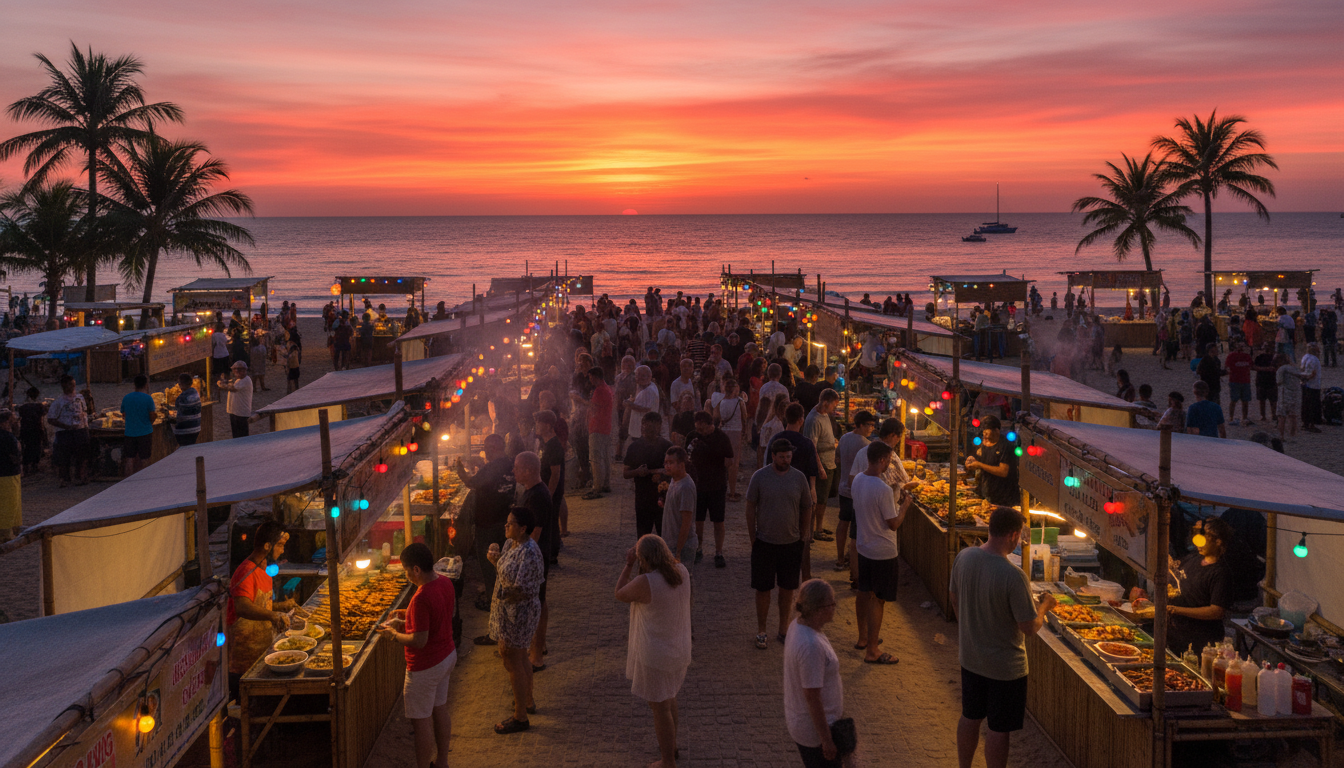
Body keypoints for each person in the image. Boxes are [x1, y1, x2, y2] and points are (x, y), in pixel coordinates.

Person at [951, 507, 1055, 768]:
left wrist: (969, 625)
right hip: (1005, 669)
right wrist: (1044, 607)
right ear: (1013, 535)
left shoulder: (964, 557)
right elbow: (1029, 627)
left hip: (971, 658)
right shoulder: (1013, 576)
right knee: (998, 728)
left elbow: (953, 595)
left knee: (970, 716)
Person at [616, 535, 693, 768]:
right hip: (678, 649)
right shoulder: (682, 571)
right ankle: (672, 747)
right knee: (669, 698)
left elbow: (619, 593)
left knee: (659, 707)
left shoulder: (646, 582)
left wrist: (629, 564)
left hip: (656, 654)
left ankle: (667, 761)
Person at [378, 542, 456, 768]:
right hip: (447, 656)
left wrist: (393, 634)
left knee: (420, 721)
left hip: (425, 667)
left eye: (405, 570)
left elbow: (419, 640)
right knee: (439, 708)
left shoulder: (421, 597)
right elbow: (433, 620)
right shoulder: (444, 582)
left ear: (416, 570)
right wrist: (405, 619)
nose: (405, 575)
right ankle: (442, 762)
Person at [745, 438, 813, 650]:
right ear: (773, 456)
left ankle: (784, 629)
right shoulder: (760, 477)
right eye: (782, 457)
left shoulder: (799, 478)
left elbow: (807, 506)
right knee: (763, 589)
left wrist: (804, 533)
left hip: (791, 543)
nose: (785, 460)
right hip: (764, 543)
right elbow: (750, 507)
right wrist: (752, 537)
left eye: (788, 457)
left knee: (787, 589)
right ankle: (762, 630)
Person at [852, 440, 911, 665]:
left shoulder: (858, 479)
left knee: (864, 591)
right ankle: (873, 650)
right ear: (883, 460)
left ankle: (863, 638)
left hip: (864, 547)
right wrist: (905, 506)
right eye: (888, 460)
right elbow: (893, 523)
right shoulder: (883, 489)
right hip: (883, 552)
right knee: (878, 599)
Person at [488, 506, 545, 734]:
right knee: (519, 657)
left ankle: (520, 716)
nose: (506, 526)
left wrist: (504, 593)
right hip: (510, 610)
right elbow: (506, 570)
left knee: (512, 659)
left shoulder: (529, 552)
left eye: (510, 524)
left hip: (518, 613)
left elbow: (522, 589)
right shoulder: (512, 544)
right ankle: (526, 701)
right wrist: (495, 558)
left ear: (523, 529)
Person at [227, 521, 295, 696]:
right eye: (279, 545)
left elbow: (260, 605)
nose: (282, 550)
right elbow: (242, 607)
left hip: (262, 653)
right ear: (267, 546)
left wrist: (281, 607)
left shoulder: (264, 570)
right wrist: (273, 616)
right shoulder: (246, 571)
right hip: (243, 660)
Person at [784, 579, 846, 768]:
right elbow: (812, 696)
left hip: (805, 724)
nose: (834, 607)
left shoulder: (797, 625)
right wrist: (826, 740)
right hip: (815, 732)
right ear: (818, 609)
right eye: (831, 604)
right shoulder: (811, 645)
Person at [457, 434, 516, 619]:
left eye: (486, 447)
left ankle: (495, 608)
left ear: (492, 448)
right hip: (504, 522)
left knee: (490, 568)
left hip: (488, 525)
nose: (485, 451)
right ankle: (503, 600)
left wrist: (459, 469)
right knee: (502, 565)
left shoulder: (491, 468)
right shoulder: (509, 463)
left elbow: (470, 483)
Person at [1167, 518, 1235, 654]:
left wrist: (1177, 610)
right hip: (1176, 633)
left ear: (1218, 541)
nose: (1198, 542)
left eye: (1205, 537)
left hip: (1201, 641)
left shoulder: (1221, 573)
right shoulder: (1194, 558)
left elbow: (1216, 611)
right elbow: (1175, 571)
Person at [687, 410, 733, 567]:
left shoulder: (721, 438)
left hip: (717, 485)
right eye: (697, 428)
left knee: (718, 521)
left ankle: (718, 552)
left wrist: (713, 456)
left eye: (702, 429)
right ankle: (699, 549)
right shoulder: (693, 436)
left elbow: (729, 460)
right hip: (698, 485)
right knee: (698, 520)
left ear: (710, 425)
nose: (699, 432)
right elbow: (686, 455)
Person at [833, 410, 876, 572]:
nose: (871, 428)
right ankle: (854, 566)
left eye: (872, 425)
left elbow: (837, 457)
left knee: (843, 524)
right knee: (856, 531)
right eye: (868, 425)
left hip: (844, 488)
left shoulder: (844, 438)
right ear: (859, 425)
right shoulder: (866, 445)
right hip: (858, 492)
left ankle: (839, 558)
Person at [625, 412, 673, 537]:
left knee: (665, 536)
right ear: (642, 426)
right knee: (643, 536)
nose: (649, 429)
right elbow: (625, 473)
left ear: (659, 426)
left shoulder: (667, 447)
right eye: (647, 426)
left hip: (663, 498)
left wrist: (663, 472)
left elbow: (676, 470)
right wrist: (637, 472)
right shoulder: (634, 447)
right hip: (643, 498)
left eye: (653, 426)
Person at [804, 389, 840, 544]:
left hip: (829, 462)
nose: (835, 408)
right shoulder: (814, 419)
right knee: (818, 499)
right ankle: (814, 530)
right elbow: (812, 446)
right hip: (823, 464)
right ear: (826, 402)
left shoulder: (824, 415)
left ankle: (818, 527)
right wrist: (819, 467)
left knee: (823, 499)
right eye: (834, 405)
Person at [964, 415, 1018, 506]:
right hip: (986, 493)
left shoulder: (1005, 446)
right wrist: (972, 461)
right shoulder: (984, 442)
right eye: (983, 432)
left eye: (987, 431)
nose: (984, 435)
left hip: (1004, 497)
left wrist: (980, 465)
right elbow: (980, 459)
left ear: (996, 431)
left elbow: (1003, 471)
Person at [47, 375, 89, 486]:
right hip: (64, 433)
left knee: (81, 455)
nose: (73, 386)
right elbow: (51, 419)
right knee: (64, 457)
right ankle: (64, 479)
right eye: (70, 384)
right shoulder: (58, 402)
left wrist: (86, 427)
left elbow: (84, 413)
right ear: (64, 385)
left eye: (74, 384)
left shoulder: (80, 398)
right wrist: (66, 426)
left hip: (80, 430)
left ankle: (80, 477)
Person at [708, 376, 746, 501]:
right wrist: (745, 432)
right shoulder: (739, 402)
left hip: (724, 432)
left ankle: (720, 488)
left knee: (723, 461)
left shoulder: (721, 402)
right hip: (736, 432)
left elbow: (717, 417)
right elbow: (744, 418)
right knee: (734, 463)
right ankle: (732, 491)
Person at [661, 446, 698, 563]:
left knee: (682, 580)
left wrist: (678, 551)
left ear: (681, 465)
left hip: (682, 546)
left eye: (671, 463)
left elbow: (686, 522)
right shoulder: (674, 479)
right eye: (666, 462)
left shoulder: (685, 487)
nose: (667, 466)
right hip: (670, 543)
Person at [585, 366, 614, 499]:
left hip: (597, 428)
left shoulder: (600, 391)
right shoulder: (607, 389)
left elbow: (593, 408)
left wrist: (581, 401)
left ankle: (597, 487)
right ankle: (605, 484)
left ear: (595, 377)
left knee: (596, 459)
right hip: (605, 427)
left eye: (591, 377)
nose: (590, 380)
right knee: (605, 458)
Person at [120, 374, 156, 476]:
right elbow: (152, 415)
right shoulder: (148, 399)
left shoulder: (126, 398)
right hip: (145, 431)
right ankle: (145, 479)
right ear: (146, 385)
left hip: (130, 432)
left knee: (129, 458)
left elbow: (123, 414)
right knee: (145, 458)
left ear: (134, 385)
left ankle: (128, 480)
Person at [217, 361, 254, 439]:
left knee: (242, 435)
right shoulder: (239, 380)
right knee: (236, 434)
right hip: (235, 411)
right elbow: (232, 384)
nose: (236, 372)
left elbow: (232, 388)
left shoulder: (245, 380)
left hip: (241, 412)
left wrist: (221, 385)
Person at [0, 410, 21, 540]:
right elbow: (15, 458)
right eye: (13, 420)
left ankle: (14, 527)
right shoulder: (8, 437)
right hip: (8, 474)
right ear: (6, 422)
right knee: (10, 503)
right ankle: (6, 532)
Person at [1274, 353, 1305, 440]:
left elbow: (1279, 381)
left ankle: (1281, 436)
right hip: (1295, 394)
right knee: (1293, 416)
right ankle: (1293, 435)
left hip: (1284, 394)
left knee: (1281, 416)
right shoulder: (1295, 369)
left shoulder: (1281, 369)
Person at [1224, 341, 1255, 425]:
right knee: (1233, 400)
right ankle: (1231, 417)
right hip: (1235, 380)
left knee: (1245, 401)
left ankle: (1244, 417)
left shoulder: (1247, 356)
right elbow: (1226, 367)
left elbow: (1251, 366)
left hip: (1245, 380)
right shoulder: (1231, 356)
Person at [17, 387, 46, 474]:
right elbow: (41, 419)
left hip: (25, 429)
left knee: (27, 447)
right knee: (37, 447)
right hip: (36, 428)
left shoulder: (23, 407)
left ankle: (26, 466)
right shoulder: (39, 406)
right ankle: (35, 465)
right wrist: (42, 430)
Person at [171, 373, 203, 447]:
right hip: (196, 428)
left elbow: (177, 413)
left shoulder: (181, 398)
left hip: (184, 430)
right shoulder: (195, 393)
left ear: (180, 384)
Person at [1299, 343, 1324, 433]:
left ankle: (1305, 423)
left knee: (1305, 404)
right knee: (1313, 405)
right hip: (1313, 385)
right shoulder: (1314, 359)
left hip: (1304, 384)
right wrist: (1308, 379)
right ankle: (1311, 424)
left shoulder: (1305, 357)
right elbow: (1313, 373)